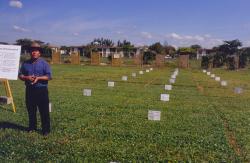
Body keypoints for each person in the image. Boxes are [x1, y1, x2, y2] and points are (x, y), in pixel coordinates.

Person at [19, 42, 52, 136]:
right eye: (32, 50)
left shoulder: (44, 63)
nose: (34, 52)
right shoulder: (25, 63)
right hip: (29, 90)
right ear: (30, 52)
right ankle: (32, 127)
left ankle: (46, 130)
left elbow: (49, 76)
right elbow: (20, 75)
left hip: (42, 90)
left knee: (44, 111)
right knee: (31, 110)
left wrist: (38, 78)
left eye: (36, 51)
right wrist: (26, 77)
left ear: (39, 53)